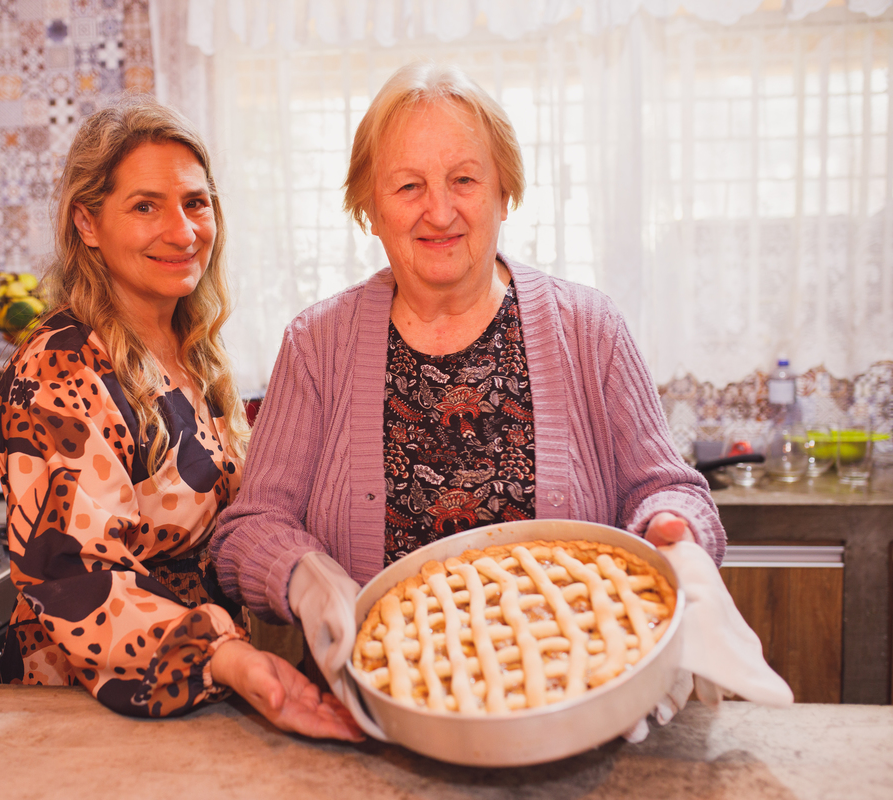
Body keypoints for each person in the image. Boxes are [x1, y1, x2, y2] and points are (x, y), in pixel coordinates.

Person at [211, 64, 726, 706]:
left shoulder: (590, 327)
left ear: (504, 191)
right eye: (408, 186)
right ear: (369, 207)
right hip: (378, 721)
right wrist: (303, 574)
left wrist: (670, 525)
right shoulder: (316, 345)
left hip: (574, 706)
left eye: (464, 179)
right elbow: (252, 525)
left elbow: (665, 486)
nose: (440, 210)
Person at [0, 98, 362, 741]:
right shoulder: (61, 369)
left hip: (199, 690)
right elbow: (78, 578)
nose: (183, 231)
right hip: (95, 709)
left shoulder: (194, 352)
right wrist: (227, 657)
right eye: (145, 206)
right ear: (87, 222)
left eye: (195, 202)